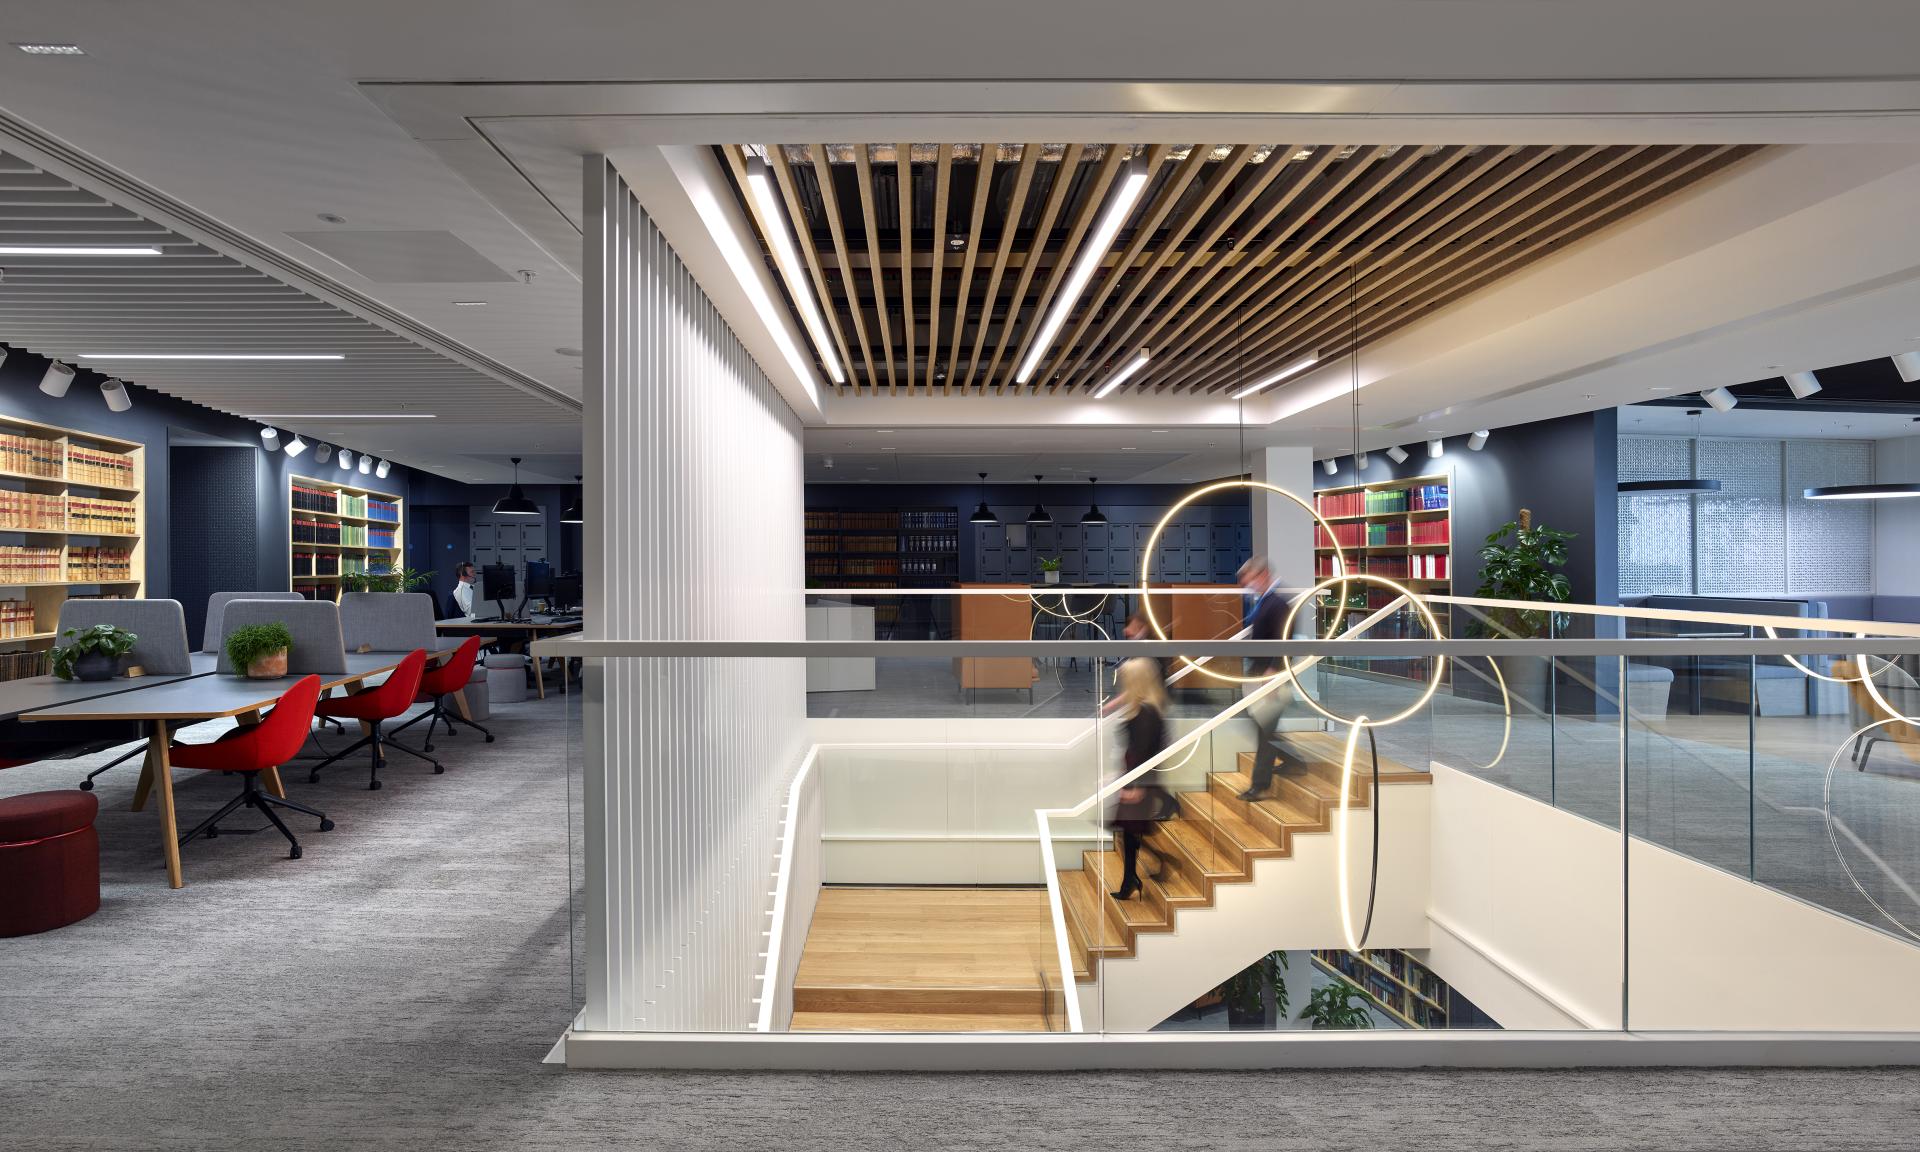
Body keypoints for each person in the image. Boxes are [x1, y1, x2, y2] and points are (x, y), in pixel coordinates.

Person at [1109, 656, 1177, 901]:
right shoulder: (1144, 707)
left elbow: (1145, 752)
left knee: (1130, 830)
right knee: (1129, 831)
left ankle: (1132, 880)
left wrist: (1138, 786)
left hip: (1138, 780)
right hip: (1134, 777)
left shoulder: (1147, 713)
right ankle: (1134, 878)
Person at [1236, 556, 1293, 801]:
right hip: (1258, 671)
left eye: (1250, 581)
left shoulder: (1277, 603)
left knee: (1265, 730)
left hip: (1270, 674)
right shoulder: (1265, 601)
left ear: (1262, 575)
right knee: (1261, 724)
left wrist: (1273, 672)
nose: (1248, 587)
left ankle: (1259, 785)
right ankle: (1294, 760)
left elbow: (1284, 639)